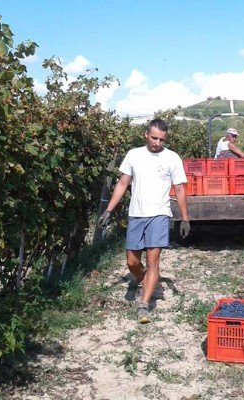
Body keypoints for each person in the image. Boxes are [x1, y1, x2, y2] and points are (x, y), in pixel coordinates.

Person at [98, 118, 190, 324]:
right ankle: (146, 280)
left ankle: (144, 305)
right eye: (154, 137)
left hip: (159, 214)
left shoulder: (172, 158)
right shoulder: (134, 155)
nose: (157, 142)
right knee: (132, 261)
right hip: (137, 214)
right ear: (146, 135)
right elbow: (122, 183)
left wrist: (185, 218)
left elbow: (180, 188)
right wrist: (109, 210)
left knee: (153, 262)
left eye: (161, 139)